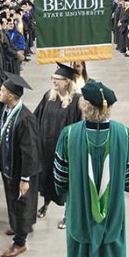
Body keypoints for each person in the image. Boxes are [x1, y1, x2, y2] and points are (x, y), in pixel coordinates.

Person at [53, 80, 129, 257]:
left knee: (80, 235)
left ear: (84, 106)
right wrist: (122, 187)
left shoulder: (69, 134)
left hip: (80, 201)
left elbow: (60, 175)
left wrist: (65, 189)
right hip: (112, 202)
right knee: (111, 234)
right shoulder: (124, 134)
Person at [0, 73, 39, 257]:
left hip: (21, 170)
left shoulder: (25, 118)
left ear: (12, 95)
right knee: (13, 200)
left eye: (3, 91)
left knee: (22, 204)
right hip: (8, 168)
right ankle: (16, 227)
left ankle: (20, 242)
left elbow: (30, 151)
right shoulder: (7, 110)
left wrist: (25, 178)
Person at [33, 64, 81, 228]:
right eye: (53, 78)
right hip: (47, 148)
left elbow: (81, 126)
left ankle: (68, 214)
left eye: (57, 79)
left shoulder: (77, 101)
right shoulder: (49, 97)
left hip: (67, 151)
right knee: (47, 178)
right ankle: (45, 204)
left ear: (67, 82)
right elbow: (35, 117)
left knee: (67, 182)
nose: (54, 81)